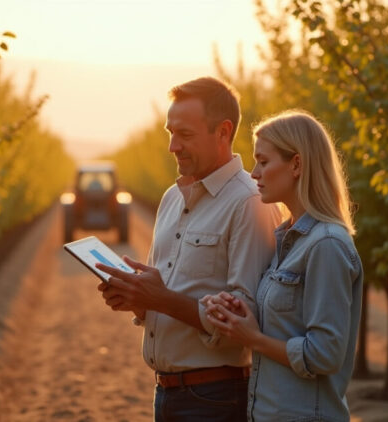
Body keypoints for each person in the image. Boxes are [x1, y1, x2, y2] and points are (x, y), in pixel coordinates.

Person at [95, 76, 281, 422]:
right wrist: (139, 301)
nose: (172, 146)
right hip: (167, 392)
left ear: (223, 132)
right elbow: (172, 296)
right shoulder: (171, 198)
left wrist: (160, 299)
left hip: (216, 398)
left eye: (185, 134)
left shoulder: (248, 203)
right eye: (170, 133)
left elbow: (247, 321)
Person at [202, 110, 363, 421]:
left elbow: (325, 354)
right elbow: (287, 326)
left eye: (263, 162)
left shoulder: (326, 244)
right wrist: (232, 312)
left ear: (297, 165)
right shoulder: (288, 239)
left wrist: (254, 339)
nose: (253, 173)